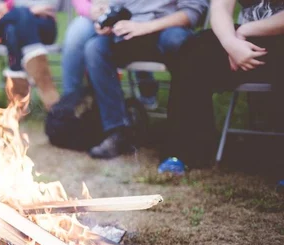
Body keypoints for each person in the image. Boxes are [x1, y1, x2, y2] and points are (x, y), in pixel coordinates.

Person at [159, 0, 284, 174]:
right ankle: (185, 151)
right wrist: (230, 43)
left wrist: (246, 30)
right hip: (242, 42)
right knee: (195, 51)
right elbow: (220, 7)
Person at [80, 0, 209, 159]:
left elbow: (192, 13)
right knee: (94, 49)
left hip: (167, 29)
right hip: (128, 33)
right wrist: (106, 20)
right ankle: (117, 130)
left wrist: (145, 27)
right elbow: (113, 6)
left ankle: (183, 134)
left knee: (181, 43)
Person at [62, 0, 160, 109]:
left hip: (130, 11)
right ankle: (69, 104)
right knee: (76, 36)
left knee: (134, 31)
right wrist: (90, 10)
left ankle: (146, 89)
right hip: (94, 11)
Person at [0, 0, 61, 111]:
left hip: (44, 25)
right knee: (13, 27)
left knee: (13, 25)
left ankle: (17, 104)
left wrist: (16, 9)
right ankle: (46, 88)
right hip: (11, 26)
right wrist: (30, 10)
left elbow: (50, 6)